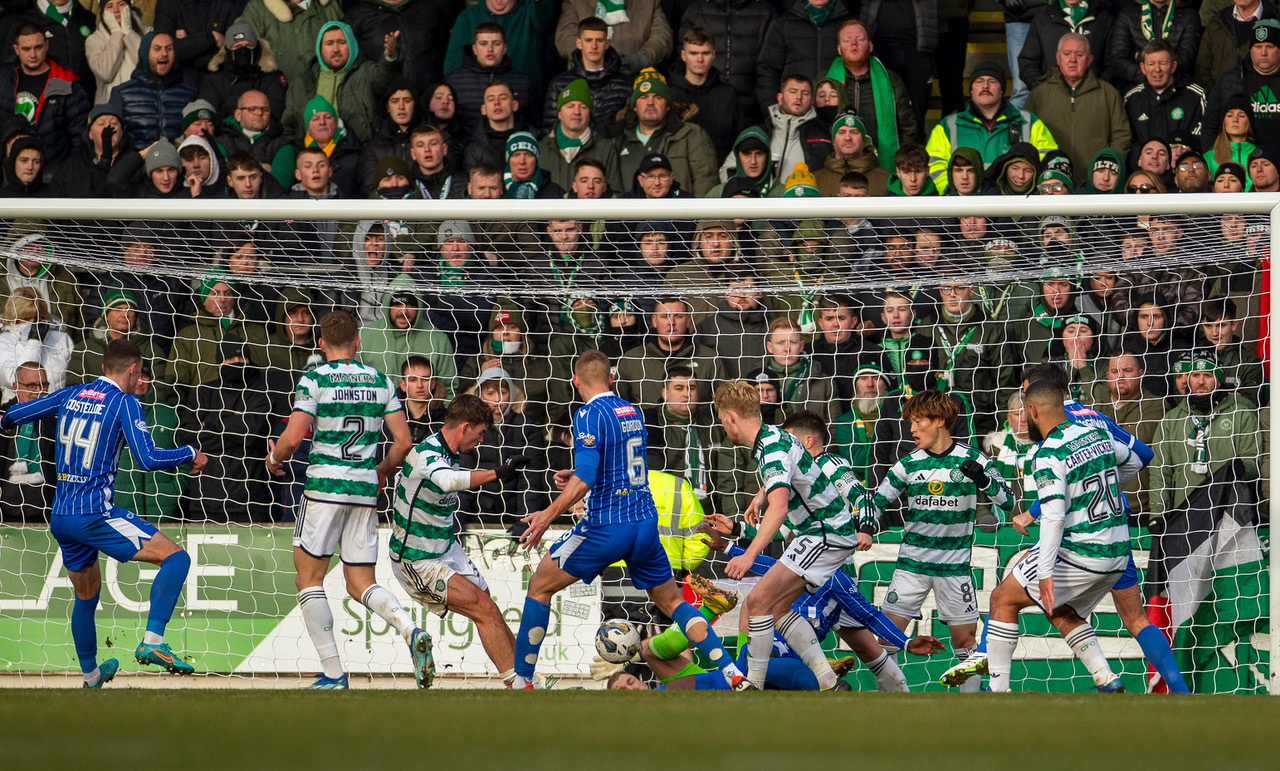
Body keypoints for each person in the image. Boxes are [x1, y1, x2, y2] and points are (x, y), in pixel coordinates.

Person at [511, 350, 745, 690]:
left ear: (575, 381)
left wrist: (548, 514)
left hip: (607, 526)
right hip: (645, 524)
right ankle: (732, 673)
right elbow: (613, 465)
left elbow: (589, 474)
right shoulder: (631, 411)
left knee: (539, 587)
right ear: (612, 378)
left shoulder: (588, 414)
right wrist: (577, 476)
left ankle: (522, 681)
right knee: (672, 601)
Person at [0, 339, 209, 687]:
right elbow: (147, 459)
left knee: (86, 595)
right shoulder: (124, 403)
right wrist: (190, 452)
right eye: (140, 373)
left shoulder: (71, 394)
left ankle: (92, 676)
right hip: (95, 513)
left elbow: (15, 416)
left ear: (102, 368)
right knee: (177, 560)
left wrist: (5, 419)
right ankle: (154, 641)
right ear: (132, 371)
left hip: (62, 516)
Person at [264, 310, 425, 689]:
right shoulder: (381, 381)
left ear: (321, 344)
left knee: (309, 578)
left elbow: (291, 438)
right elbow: (404, 443)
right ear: (358, 343)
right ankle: (408, 627)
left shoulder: (315, 378)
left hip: (324, 490)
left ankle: (334, 674)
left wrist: (274, 459)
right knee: (360, 583)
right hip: (365, 491)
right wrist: (381, 471)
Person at [980, 378, 1142, 692]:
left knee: (1002, 598)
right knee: (1057, 609)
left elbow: (1053, 517)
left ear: (1033, 411)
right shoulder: (1096, 432)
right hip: (1119, 553)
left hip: (1083, 552)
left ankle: (997, 689)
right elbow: (1135, 461)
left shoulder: (1048, 451)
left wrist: (1045, 571)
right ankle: (1106, 677)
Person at [712, 378, 866, 690]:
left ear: (730, 416)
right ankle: (828, 681)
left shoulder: (770, 447)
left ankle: (752, 686)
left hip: (822, 533)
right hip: (827, 530)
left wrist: (748, 557)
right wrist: (761, 494)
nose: (724, 429)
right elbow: (793, 470)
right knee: (778, 608)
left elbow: (780, 509)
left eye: (722, 421)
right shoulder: (774, 437)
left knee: (757, 602)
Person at [862, 390, 1013, 692]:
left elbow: (1008, 499)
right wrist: (866, 525)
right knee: (886, 641)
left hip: (954, 569)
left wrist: (982, 479)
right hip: (911, 567)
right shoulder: (908, 463)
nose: (912, 430)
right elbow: (876, 501)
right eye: (910, 423)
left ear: (940, 421)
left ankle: (971, 712)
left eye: (918, 422)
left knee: (966, 644)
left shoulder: (972, 459)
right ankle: (891, 703)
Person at [389, 393, 530, 687]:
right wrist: (501, 472)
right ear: (464, 428)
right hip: (417, 558)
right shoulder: (427, 454)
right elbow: (449, 482)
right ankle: (520, 685)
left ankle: (524, 677)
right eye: (479, 434)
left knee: (487, 603)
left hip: (446, 547)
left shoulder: (448, 455)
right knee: (485, 609)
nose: (480, 441)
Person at [1026, 32, 1131, 184]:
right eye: (1067, 54)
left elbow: (1121, 137)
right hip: (1051, 186)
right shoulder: (1039, 94)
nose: (1073, 60)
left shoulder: (1108, 93)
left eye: (1079, 54)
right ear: (1058, 58)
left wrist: (1107, 170)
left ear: (1090, 60)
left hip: (1096, 186)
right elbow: (1026, 140)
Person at [281, 21, 401, 144]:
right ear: (319, 48)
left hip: (359, 153)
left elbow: (383, 76)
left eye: (342, 42)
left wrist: (390, 57)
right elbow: (287, 127)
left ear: (352, 45)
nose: (336, 49)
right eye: (329, 43)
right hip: (312, 157)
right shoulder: (302, 82)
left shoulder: (366, 72)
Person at [613, 68, 718, 196]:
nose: (650, 102)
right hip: (627, 215)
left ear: (668, 106)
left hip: (680, 214)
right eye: (644, 97)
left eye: (657, 97)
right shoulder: (617, 139)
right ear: (634, 106)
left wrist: (697, 215)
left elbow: (706, 183)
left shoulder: (691, 135)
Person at [0, 23, 90, 167]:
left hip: (53, 171)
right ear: (16, 49)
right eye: (26, 49)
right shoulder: (4, 77)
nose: (33, 54)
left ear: (47, 45)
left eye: (38, 47)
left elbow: (79, 136)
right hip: (8, 170)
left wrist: (69, 173)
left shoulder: (65, 80)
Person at [755, 0, 855, 115]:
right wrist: (774, 115)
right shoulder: (783, 25)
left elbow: (863, 73)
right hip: (794, 118)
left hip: (840, 120)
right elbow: (767, 72)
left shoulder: (851, 25)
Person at [542, 17, 632, 133]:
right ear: (579, 43)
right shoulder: (559, 84)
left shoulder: (626, 85)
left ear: (607, 43)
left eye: (599, 40)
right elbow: (549, 129)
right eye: (588, 40)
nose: (594, 46)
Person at [666, 27, 742, 160]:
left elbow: (739, 139)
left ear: (713, 55)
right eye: (693, 53)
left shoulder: (728, 94)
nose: (700, 59)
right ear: (683, 56)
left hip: (721, 170)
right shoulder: (668, 94)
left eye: (705, 53)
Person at [116, 32, 199, 147]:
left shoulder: (190, 94)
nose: (164, 54)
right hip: (137, 163)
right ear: (145, 54)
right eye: (157, 49)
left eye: (169, 49)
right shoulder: (122, 93)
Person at [1207, 19, 1280, 148]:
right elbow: (1210, 123)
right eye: (1258, 47)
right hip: (1238, 162)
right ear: (1250, 49)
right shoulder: (1232, 78)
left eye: (1269, 46)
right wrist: (1214, 159)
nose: (1263, 52)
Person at [241, 0, 344, 88]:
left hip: (327, 96)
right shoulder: (257, 10)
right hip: (278, 100)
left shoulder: (330, 6)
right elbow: (243, 64)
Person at [1123, 42, 1206, 149]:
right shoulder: (1131, 99)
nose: (1157, 69)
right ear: (1143, 68)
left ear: (1173, 66)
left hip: (1182, 164)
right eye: (1151, 64)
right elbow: (1127, 142)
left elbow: (1202, 140)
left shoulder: (1195, 96)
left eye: (1162, 63)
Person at [554, 0, 673, 75]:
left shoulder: (648, 2)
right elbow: (564, 36)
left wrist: (639, 59)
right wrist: (589, 60)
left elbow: (663, 37)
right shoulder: (576, 2)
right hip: (587, 80)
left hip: (636, 81)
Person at [1106, 0, 1201, 92]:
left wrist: (1138, 56)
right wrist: (1152, 78)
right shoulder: (1127, 15)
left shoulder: (1189, 16)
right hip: (1136, 89)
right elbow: (1117, 62)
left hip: (1177, 90)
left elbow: (1185, 62)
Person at [0, 361, 53, 522]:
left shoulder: (58, 419)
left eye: (43, 385)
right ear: (16, 386)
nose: (38, 391)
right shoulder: (3, 417)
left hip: (47, 514)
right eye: (31, 385)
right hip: (5, 515)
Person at [85, 0, 147, 104]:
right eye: (109, 6)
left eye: (121, 4)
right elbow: (105, 73)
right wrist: (117, 33)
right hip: (109, 109)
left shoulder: (148, 33)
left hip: (143, 103)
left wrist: (129, 33)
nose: (116, 10)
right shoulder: (94, 40)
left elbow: (148, 66)